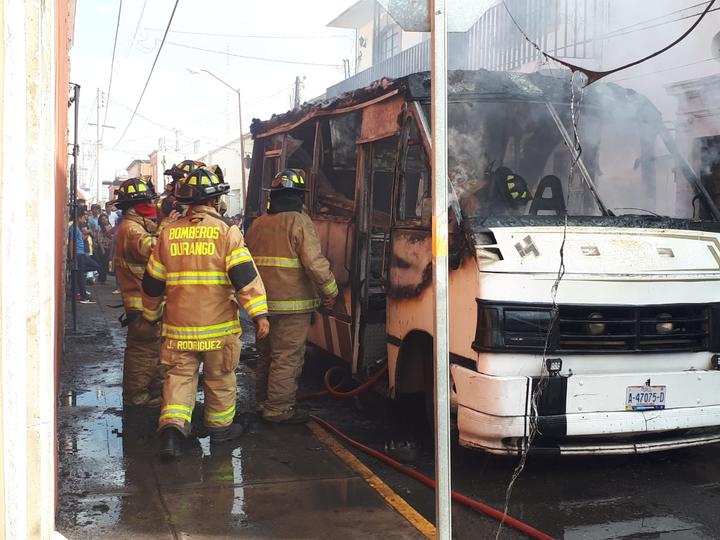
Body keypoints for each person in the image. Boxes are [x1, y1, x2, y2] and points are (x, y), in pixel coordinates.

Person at [142, 166, 269, 459]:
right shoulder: (227, 232)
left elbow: (152, 282)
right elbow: (244, 277)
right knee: (220, 378)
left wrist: (150, 314)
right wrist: (260, 314)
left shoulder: (168, 233)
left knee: (179, 378)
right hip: (218, 328)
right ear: (215, 201)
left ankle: (173, 432)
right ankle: (220, 429)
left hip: (178, 328)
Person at [245, 169, 338, 424]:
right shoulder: (299, 222)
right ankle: (278, 410)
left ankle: (263, 402)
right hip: (292, 307)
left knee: (266, 356)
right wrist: (330, 292)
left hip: (261, 306)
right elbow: (315, 264)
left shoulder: (257, 223)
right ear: (299, 196)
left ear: (274, 196)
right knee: (286, 358)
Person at [112, 177, 169, 407]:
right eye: (147, 202)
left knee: (154, 350)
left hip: (147, 301)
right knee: (142, 352)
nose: (151, 207)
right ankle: (136, 396)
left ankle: (152, 391)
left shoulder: (137, 224)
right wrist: (167, 226)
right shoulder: (130, 229)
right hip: (139, 303)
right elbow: (154, 248)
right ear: (135, 205)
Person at [69, 210, 99, 303]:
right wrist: (71, 257)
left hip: (81, 252)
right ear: (79, 218)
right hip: (78, 253)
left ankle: (80, 272)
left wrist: (87, 234)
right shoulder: (73, 227)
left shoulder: (76, 227)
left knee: (94, 266)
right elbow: (71, 243)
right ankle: (83, 296)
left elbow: (80, 238)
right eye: (83, 217)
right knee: (82, 275)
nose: (85, 219)